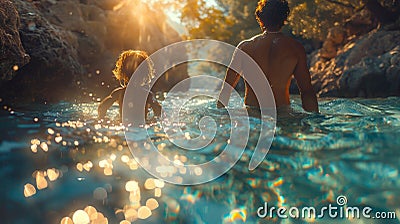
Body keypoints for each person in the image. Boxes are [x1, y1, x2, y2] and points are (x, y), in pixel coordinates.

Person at [218, 0, 319, 113]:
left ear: (260, 19)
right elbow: (306, 91)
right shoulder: (295, 48)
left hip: (251, 114)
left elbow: (227, 88)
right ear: (284, 19)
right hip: (281, 113)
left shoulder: (245, 47)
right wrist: (315, 121)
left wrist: (220, 116)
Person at [98, 50, 161, 121]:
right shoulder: (147, 94)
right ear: (145, 73)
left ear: (122, 72)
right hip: (142, 126)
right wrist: (152, 121)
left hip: (123, 125)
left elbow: (102, 107)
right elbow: (159, 111)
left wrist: (103, 119)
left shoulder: (119, 93)